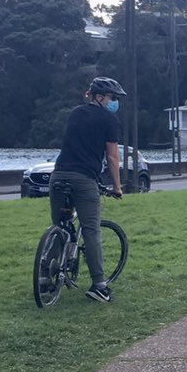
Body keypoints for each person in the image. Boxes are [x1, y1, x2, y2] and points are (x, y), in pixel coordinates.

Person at [50, 77, 125, 303]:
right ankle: (99, 286)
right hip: (84, 179)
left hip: (59, 174)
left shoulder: (75, 113)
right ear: (100, 97)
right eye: (112, 98)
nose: (114, 102)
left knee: (59, 227)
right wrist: (117, 187)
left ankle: (47, 276)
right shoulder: (109, 120)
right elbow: (112, 157)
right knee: (91, 230)